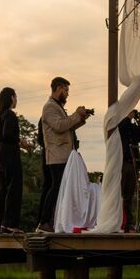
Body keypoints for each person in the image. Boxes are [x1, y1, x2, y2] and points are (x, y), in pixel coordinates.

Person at [37, 77, 94, 233]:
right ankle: (44, 221)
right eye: (66, 90)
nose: (68, 94)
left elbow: (68, 127)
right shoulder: (49, 107)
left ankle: (52, 221)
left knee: (60, 188)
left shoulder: (57, 107)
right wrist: (76, 114)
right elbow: (59, 126)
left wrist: (81, 118)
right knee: (56, 188)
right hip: (56, 155)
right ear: (58, 88)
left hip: (62, 155)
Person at [0, 86, 29, 234]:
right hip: (9, 154)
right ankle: (10, 224)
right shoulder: (10, 115)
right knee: (14, 188)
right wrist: (21, 142)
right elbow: (7, 134)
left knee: (4, 190)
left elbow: (0, 136)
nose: (17, 100)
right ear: (11, 98)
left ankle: (1, 225)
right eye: (16, 97)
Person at [118, 108, 140, 232]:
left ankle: (129, 222)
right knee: (121, 193)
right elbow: (121, 129)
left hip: (133, 163)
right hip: (123, 162)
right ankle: (119, 220)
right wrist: (128, 117)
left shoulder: (132, 127)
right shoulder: (120, 123)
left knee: (129, 195)